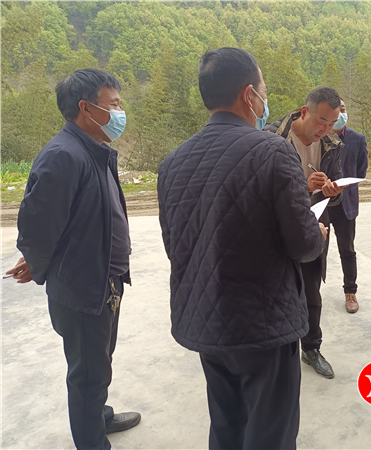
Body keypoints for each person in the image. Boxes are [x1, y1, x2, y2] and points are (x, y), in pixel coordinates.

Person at [157, 48, 326, 449]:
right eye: (264, 91)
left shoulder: (172, 162)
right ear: (249, 95)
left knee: (227, 425)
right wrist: (317, 231)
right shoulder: (273, 150)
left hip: (206, 318)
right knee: (270, 433)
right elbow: (303, 245)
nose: (265, 101)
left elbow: (173, 244)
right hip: (263, 325)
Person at [5, 69, 141, 449]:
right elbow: (37, 226)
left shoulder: (92, 150)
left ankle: (98, 417)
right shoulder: (64, 156)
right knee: (88, 375)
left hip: (104, 282)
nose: (120, 112)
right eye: (114, 104)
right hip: (83, 289)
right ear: (87, 108)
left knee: (100, 363)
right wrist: (39, 262)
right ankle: (92, 441)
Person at [265, 87, 345, 379]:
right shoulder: (271, 138)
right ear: (304, 112)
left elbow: (335, 191)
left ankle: (311, 349)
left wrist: (333, 191)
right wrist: (303, 184)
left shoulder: (331, 144)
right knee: (276, 294)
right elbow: (262, 190)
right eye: (321, 121)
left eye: (331, 123)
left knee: (312, 294)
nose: (325, 129)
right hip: (277, 232)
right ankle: (277, 353)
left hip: (314, 228)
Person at [330, 98, 369, 313]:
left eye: (343, 109)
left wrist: (347, 185)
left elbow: (361, 170)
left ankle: (350, 292)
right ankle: (311, 291)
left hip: (346, 204)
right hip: (322, 202)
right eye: (337, 110)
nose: (341, 113)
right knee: (316, 250)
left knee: (347, 250)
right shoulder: (318, 136)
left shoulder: (357, 139)